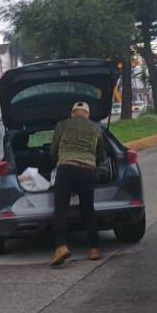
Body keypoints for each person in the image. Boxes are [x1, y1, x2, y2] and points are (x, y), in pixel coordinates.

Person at [49, 101, 106, 267]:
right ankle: (94, 248)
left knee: (61, 209)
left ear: (72, 113)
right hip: (88, 170)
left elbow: (54, 149)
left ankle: (61, 246)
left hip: (67, 168)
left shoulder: (63, 124)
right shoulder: (95, 128)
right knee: (88, 209)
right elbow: (100, 155)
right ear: (87, 114)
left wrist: (54, 161)